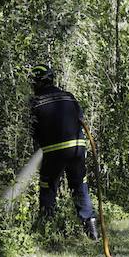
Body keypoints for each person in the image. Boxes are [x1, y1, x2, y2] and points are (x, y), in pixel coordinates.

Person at [30, 66, 99, 240]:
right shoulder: (69, 97)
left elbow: (33, 132)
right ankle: (92, 231)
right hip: (77, 148)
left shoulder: (35, 103)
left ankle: (46, 230)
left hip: (54, 151)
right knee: (79, 185)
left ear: (38, 82)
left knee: (48, 187)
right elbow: (80, 119)